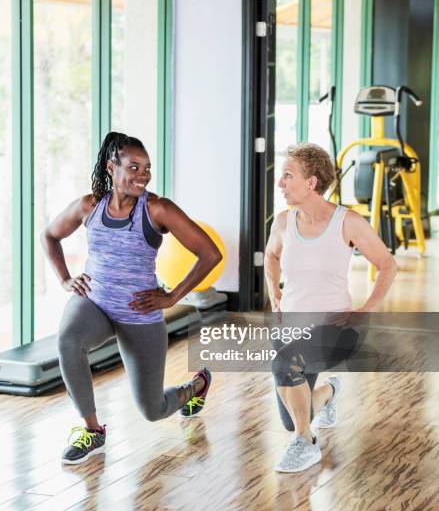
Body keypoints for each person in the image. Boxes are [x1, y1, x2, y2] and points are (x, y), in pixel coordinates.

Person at [41, 131, 222, 465]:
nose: (143, 175)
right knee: (68, 340)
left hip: (139, 314)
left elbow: (209, 253)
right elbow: (50, 235)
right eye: (134, 167)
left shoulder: (157, 210)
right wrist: (66, 279)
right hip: (94, 303)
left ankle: (197, 385)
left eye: (147, 168)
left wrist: (172, 296)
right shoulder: (89, 206)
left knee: (153, 410)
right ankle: (93, 431)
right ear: (112, 167)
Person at [264, 143, 397, 473]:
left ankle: (306, 445)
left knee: (285, 365)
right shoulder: (283, 222)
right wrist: (274, 296)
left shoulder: (347, 222)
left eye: (287, 176)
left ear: (311, 182)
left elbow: (387, 265)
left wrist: (365, 310)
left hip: (337, 331)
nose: (280, 183)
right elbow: (271, 256)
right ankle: (329, 392)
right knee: (295, 416)